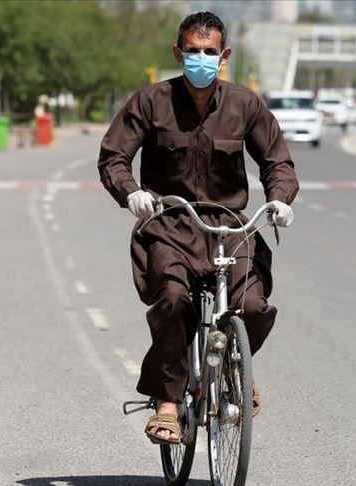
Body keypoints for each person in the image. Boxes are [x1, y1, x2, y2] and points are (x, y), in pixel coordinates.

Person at [97, 11, 299, 444]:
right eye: (193, 51)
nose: (201, 59)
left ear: (224, 56)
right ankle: (167, 405)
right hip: (170, 223)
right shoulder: (151, 102)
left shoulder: (246, 105)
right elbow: (113, 156)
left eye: (210, 52)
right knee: (172, 299)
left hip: (229, 228)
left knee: (254, 305)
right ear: (178, 52)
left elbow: (276, 161)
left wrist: (280, 198)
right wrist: (131, 191)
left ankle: (234, 369)